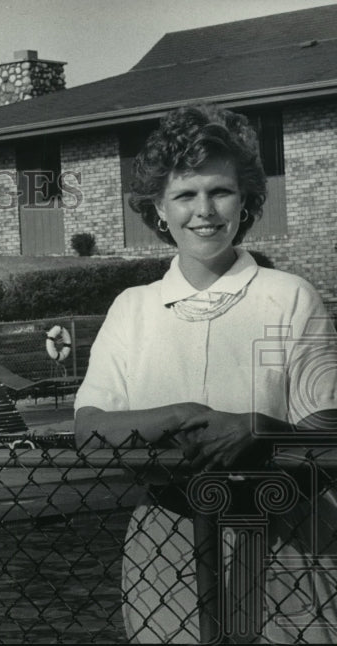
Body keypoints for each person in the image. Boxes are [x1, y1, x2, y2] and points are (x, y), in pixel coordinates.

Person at [74, 103, 337, 643]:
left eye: (221, 191)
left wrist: (257, 430)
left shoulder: (287, 296)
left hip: (283, 528)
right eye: (185, 195)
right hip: (165, 535)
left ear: (246, 200)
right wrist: (180, 415)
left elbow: (327, 435)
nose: (205, 211)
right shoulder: (133, 307)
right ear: (159, 210)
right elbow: (89, 427)